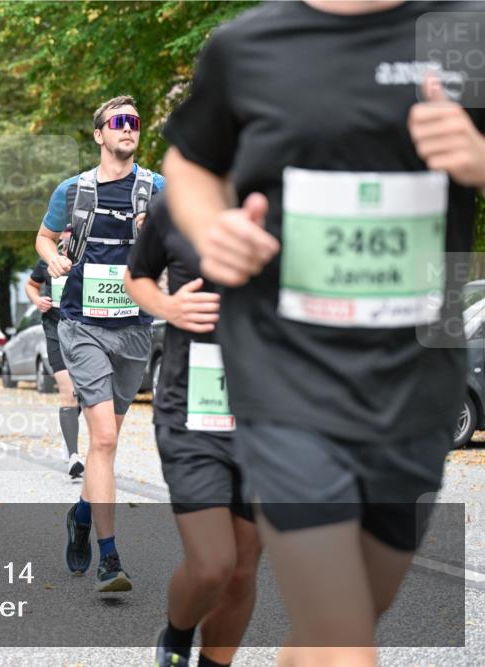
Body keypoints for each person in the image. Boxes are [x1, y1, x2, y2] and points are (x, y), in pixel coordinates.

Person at [162, 2, 485, 663]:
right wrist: (211, 229)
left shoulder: (469, 31)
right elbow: (189, 165)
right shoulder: (246, 46)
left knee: (337, 627)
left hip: (420, 383)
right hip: (286, 382)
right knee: (345, 644)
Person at [126, 197, 261, 667]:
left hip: (272, 420)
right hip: (195, 412)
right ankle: (177, 637)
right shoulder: (180, 203)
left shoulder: (307, 200)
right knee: (213, 564)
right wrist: (169, 306)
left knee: (243, 572)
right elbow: (136, 275)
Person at [36, 95, 162, 593]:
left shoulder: (158, 190)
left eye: (135, 122)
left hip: (134, 328)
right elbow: (44, 238)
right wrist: (53, 260)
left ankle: (82, 516)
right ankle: (110, 560)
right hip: (82, 325)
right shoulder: (73, 191)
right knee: (105, 439)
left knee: (105, 444)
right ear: (100, 134)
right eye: (119, 122)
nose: (129, 129)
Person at [25, 243, 84, 479]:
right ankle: (73, 456)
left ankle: (68, 433)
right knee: (68, 390)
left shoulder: (88, 260)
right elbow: (31, 285)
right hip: (55, 330)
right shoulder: (47, 261)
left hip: (83, 333)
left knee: (84, 391)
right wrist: (37, 301)